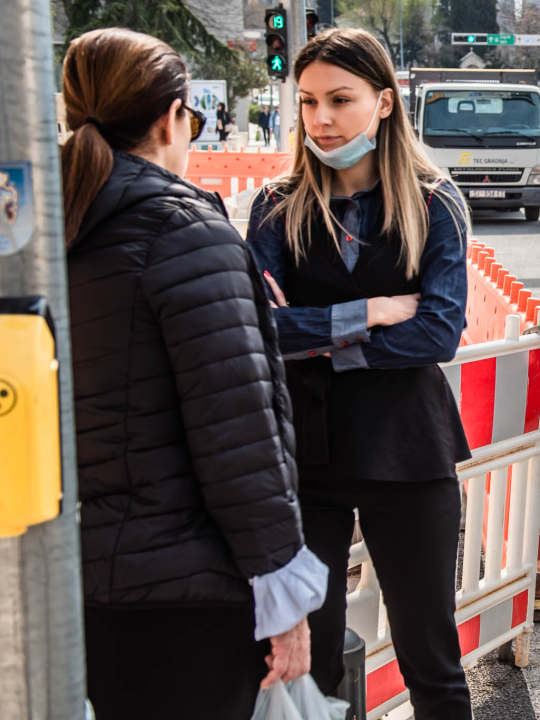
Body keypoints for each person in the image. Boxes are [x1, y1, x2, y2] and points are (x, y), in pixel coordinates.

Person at [61, 28, 328, 720]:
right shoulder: (184, 233)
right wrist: (283, 599)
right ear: (172, 117)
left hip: (66, 581)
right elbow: (238, 436)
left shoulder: (41, 228)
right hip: (185, 592)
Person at [246, 28, 473, 719]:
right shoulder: (275, 205)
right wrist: (369, 311)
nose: (320, 118)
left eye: (340, 99)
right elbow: (259, 333)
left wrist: (316, 336)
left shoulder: (433, 200)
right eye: (308, 101)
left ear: (383, 101)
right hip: (303, 459)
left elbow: (438, 331)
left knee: (429, 657)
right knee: (303, 662)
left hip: (407, 449)